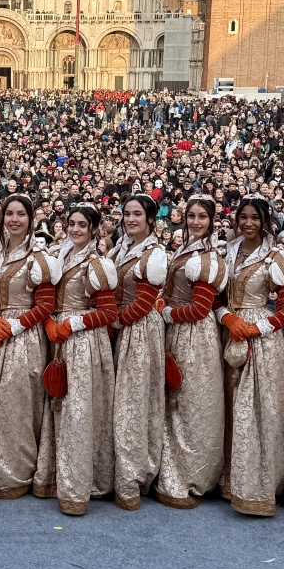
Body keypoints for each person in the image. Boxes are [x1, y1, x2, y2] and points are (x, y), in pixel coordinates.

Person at [214, 197, 284, 516]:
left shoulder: (278, 258)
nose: (249, 223)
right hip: (229, 333)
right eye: (244, 217)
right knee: (229, 406)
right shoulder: (228, 252)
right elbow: (217, 298)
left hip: (263, 341)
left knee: (259, 411)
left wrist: (257, 327)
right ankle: (228, 478)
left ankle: (258, 485)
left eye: (256, 218)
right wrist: (227, 318)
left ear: (266, 220)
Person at [34, 203, 118, 516]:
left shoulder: (96, 263)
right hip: (60, 338)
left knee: (78, 412)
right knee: (60, 408)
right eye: (72, 223)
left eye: (82, 225)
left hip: (83, 342)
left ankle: (79, 484)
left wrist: (72, 323)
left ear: (95, 229)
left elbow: (109, 313)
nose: (75, 230)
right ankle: (58, 476)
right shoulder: (61, 255)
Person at [0, 194, 58, 500]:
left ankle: (17, 472)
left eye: (20, 215)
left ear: (30, 220)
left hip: (24, 336)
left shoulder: (39, 256)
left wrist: (15, 325)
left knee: (18, 403)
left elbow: (46, 303)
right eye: (9, 214)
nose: (14, 219)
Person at [154, 195, 229, 509]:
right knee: (176, 400)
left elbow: (200, 309)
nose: (196, 222)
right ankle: (172, 466)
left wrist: (167, 313)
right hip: (176, 330)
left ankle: (192, 475)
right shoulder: (186, 249)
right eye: (191, 216)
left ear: (212, 221)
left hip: (195, 334)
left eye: (202, 217)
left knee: (193, 402)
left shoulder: (209, 257)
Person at [107, 194, 168, 511]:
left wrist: (112, 324)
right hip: (118, 327)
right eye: (127, 214)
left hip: (139, 330)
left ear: (149, 218)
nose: (131, 219)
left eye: (137, 215)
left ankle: (132, 475)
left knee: (134, 402)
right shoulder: (119, 249)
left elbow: (144, 302)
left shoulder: (155, 253)